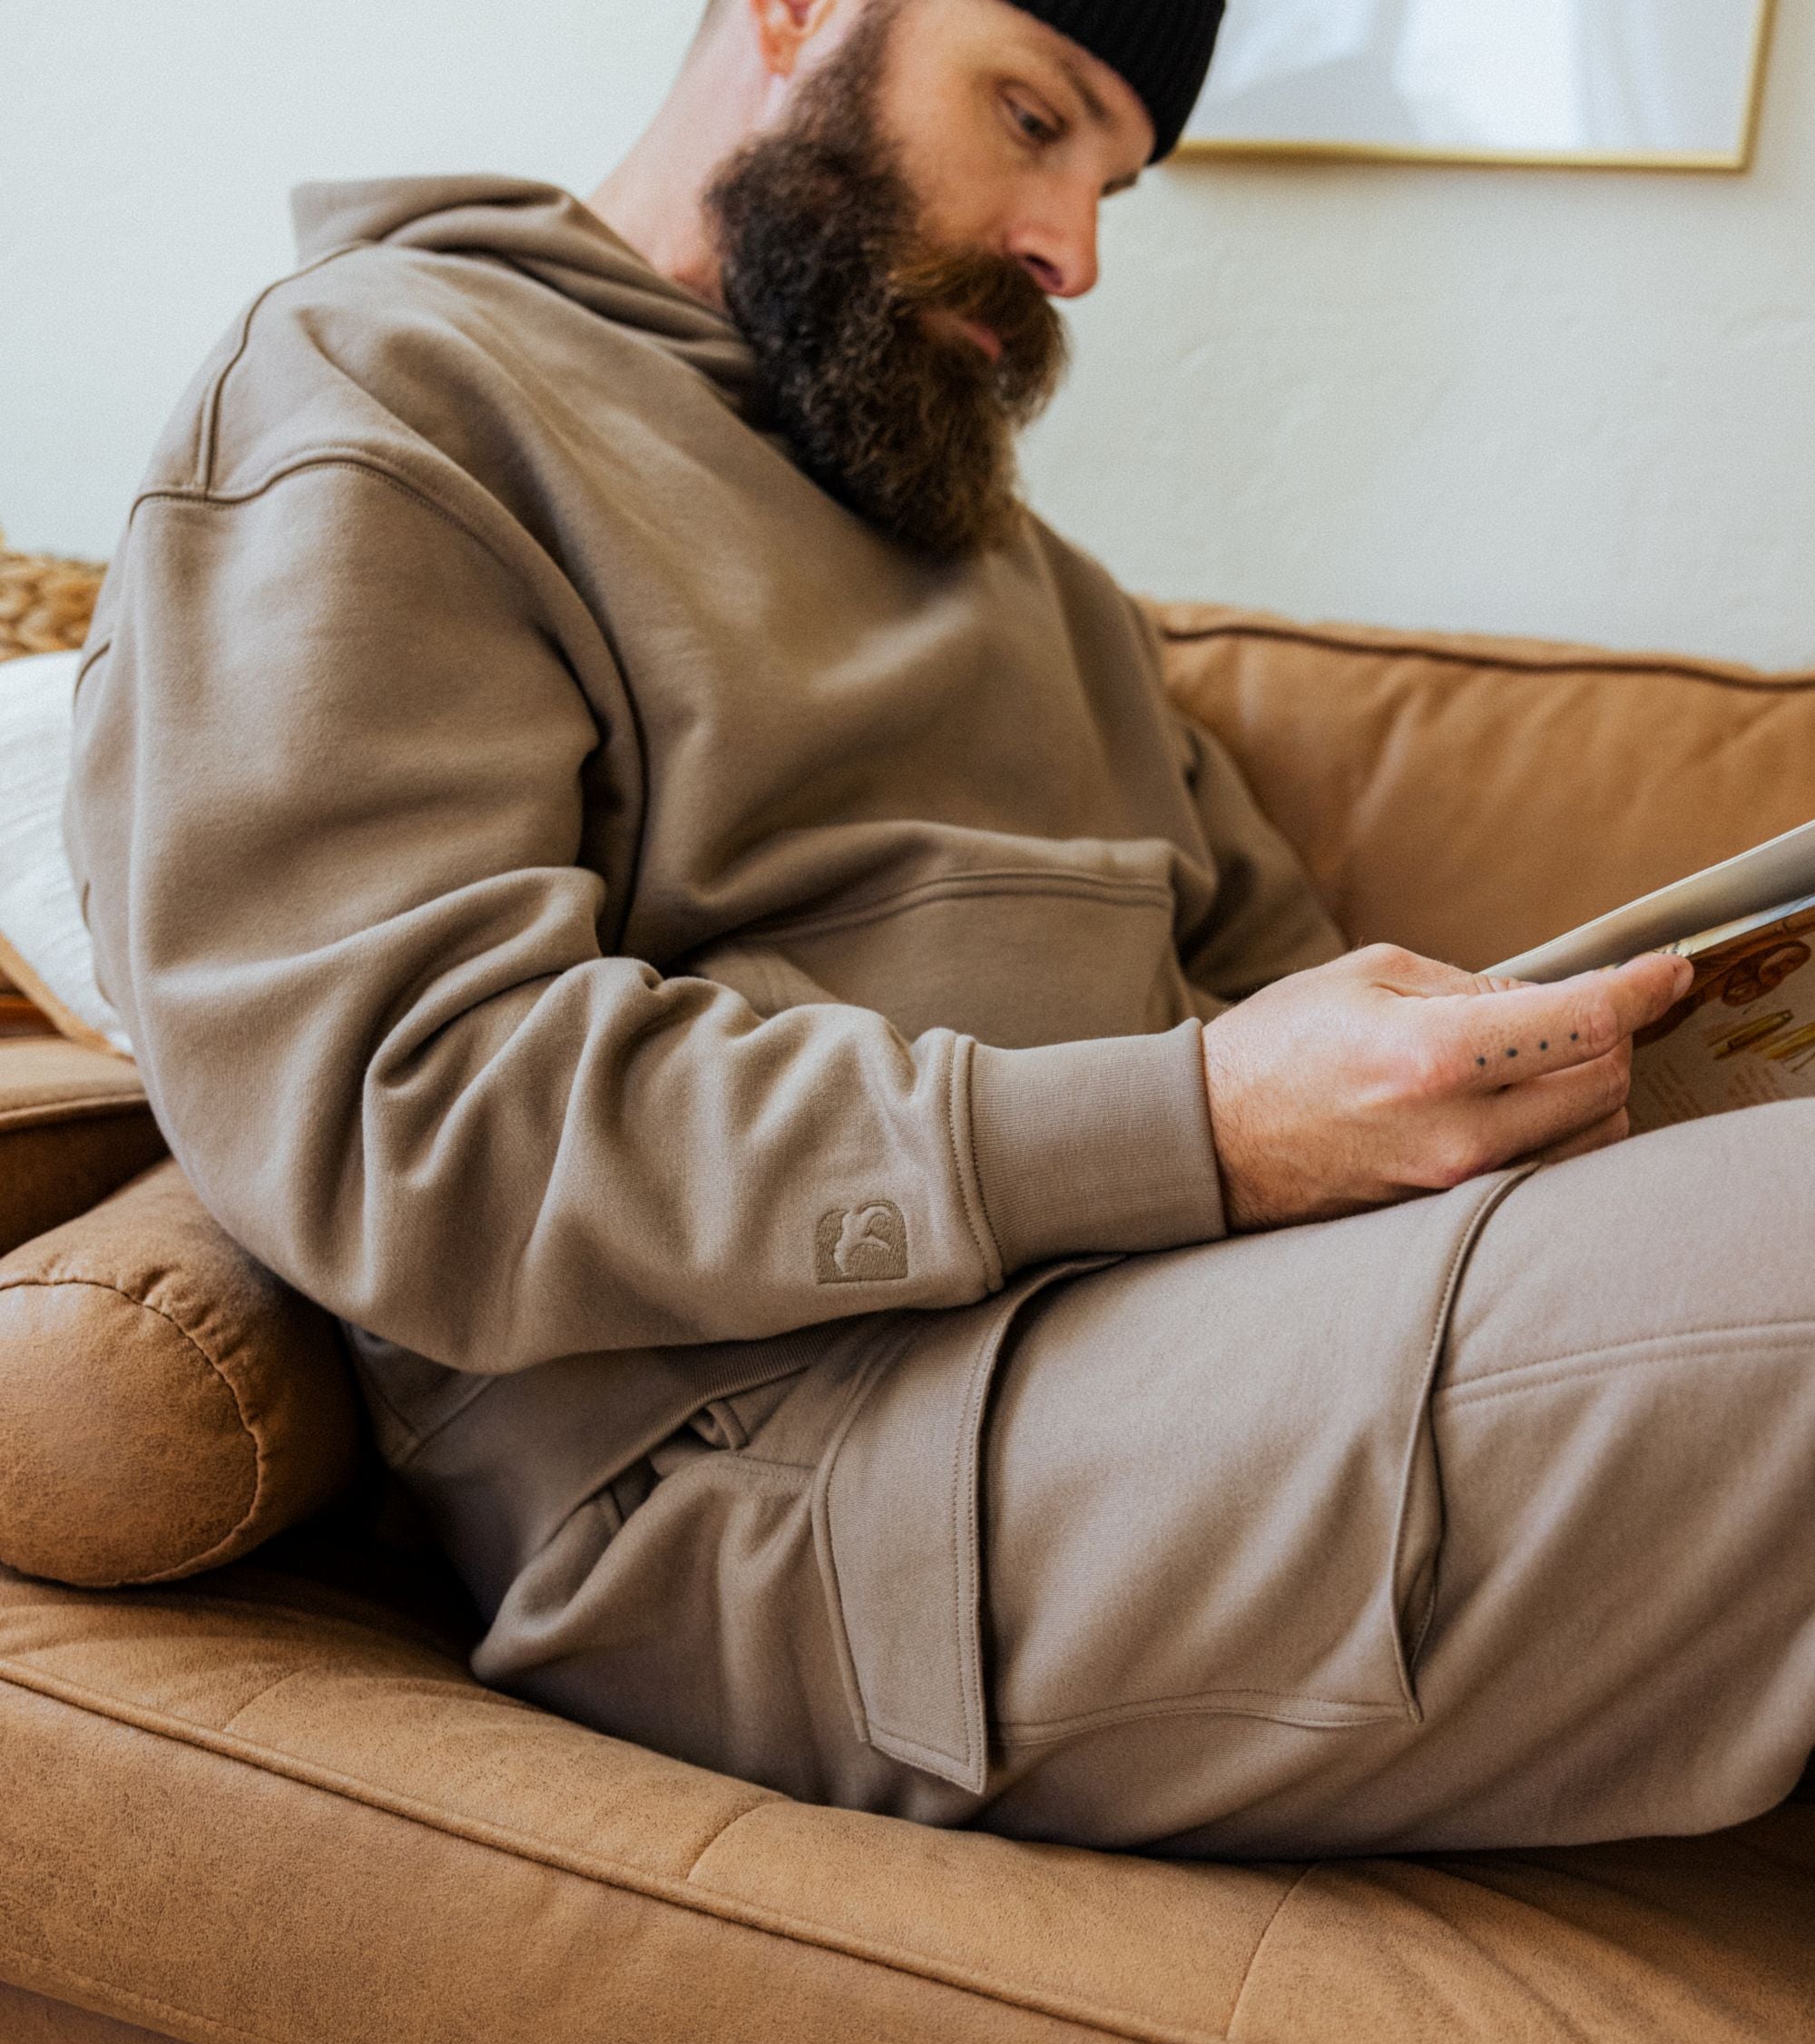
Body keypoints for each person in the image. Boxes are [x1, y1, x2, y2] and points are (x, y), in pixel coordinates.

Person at [67, 0, 1814, 1861]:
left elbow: (1267, 994)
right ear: (795, 13)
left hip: (1186, 1332)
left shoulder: (1039, 588)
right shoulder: (384, 392)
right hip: (777, 1476)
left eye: (1111, 178)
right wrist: (1201, 1124)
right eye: (1033, 116)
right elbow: (404, 1115)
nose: (1076, 248)